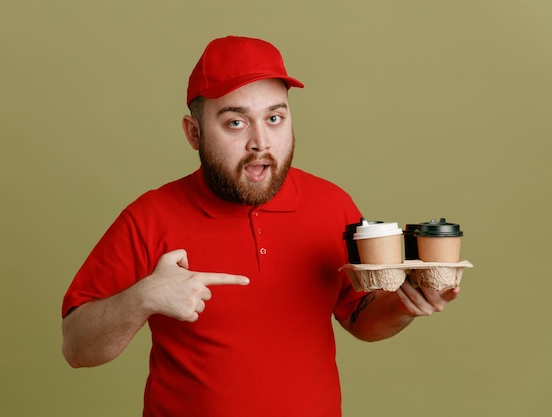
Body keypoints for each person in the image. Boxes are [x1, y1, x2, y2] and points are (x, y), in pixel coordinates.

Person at [61, 35, 459, 417]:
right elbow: (77, 348)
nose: (261, 142)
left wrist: (405, 303)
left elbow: (360, 319)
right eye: (236, 122)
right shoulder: (149, 217)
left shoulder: (332, 204)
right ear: (194, 133)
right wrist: (142, 298)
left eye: (274, 118)